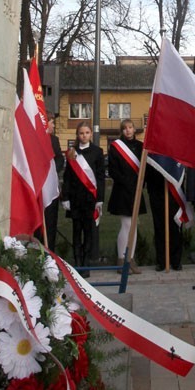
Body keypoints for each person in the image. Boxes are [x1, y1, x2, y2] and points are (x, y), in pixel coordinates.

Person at [61, 121, 105, 277]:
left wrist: (100, 199)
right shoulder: (72, 153)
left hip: (90, 199)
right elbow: (67, 178)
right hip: (75, 198)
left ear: (91, 134)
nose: (84, 135)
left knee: (89, 231)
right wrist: (65, 197)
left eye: (87, 133)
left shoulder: (98, 152)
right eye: (81, 133)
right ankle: (77, 263)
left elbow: (100, 177)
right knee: (76, 230)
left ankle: (86, 265)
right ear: (77, 135)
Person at [107, 119, 146, 273]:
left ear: (134, 129)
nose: (128, 131)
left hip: (136, 190)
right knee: (126, 225)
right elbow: (113, 170)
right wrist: (128, 182)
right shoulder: (116, 147)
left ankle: (131, 259)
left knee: (133, 226)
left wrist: (140, 184)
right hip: (122, 191)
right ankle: (121, 259)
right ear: (121, 131)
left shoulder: (141, 146)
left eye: (130, 127)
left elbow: (144, 168)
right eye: (125, 128)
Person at [43, 117, 64, 253]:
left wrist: (51, 171)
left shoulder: (54, 140)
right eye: (52, 122)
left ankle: (49, 252)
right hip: (38, 188)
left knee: (50, 223)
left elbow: (60, 159)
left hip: (50, 186)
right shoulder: (33, 137)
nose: (54, 125)